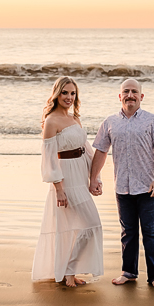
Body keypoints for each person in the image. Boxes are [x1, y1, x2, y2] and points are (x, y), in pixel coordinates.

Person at [90, 78, 154, 288]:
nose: (130, 95)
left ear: (141, 96)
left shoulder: (153, 121)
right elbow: (100, 150)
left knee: (151, 232)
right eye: (126, 91)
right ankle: (129, 272)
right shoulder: (109, 122)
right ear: (120, 96)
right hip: (122, 188)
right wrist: (94, 177)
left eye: (134, 91)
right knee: (128, 232)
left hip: (147, 187)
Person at [32, 76, 104, 287]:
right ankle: (69, 271)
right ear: (56, 94)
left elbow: (87, 151)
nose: (69, 97)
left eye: (73, 93)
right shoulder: (51, 121)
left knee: (85, 225)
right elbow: (49, 158)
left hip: (81, 175)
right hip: (66, 180)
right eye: (65, 93)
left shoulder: (75, 118)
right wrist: (59, 189)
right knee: (91, 224)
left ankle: (68, 270)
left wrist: (95, 177)